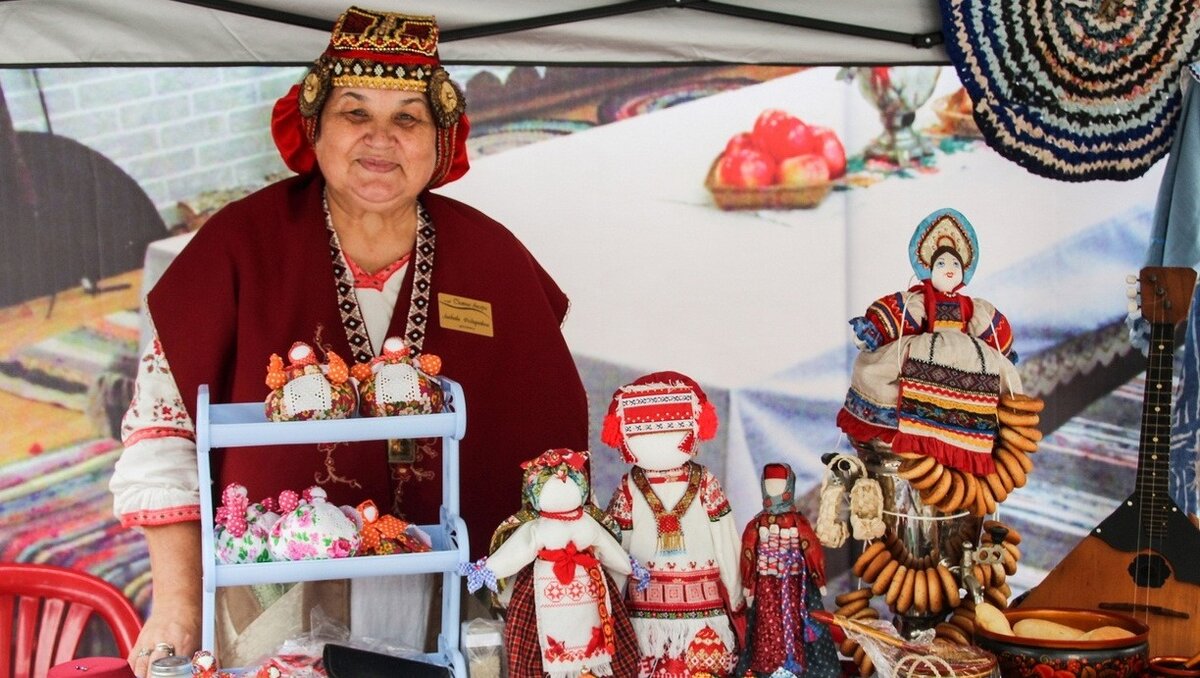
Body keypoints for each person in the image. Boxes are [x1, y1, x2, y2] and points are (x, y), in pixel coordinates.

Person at [109, 6, 588, 674]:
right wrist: (178, 603)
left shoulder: (494, 259)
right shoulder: (237, 247)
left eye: (407, 119)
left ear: (441, 140)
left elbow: (552, 445)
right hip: (277, 611)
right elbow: (163, 432)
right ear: (314, 127)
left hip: (459, 611)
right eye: (355, 114)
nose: (380, 140)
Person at [835, 207, 1020, 475]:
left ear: (964, 270)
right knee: (876, 371)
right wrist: (874, 330)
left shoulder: (973, 307)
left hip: (965, 355)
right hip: (923, 349)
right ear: (928, 267)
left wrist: (1003, 351)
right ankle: (905, 431)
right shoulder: (918, 301)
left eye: (955, 264)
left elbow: (991, 327)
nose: (948, 270)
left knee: (991, 368)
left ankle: (957, 436)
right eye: (942, 264)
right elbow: (897, 315)